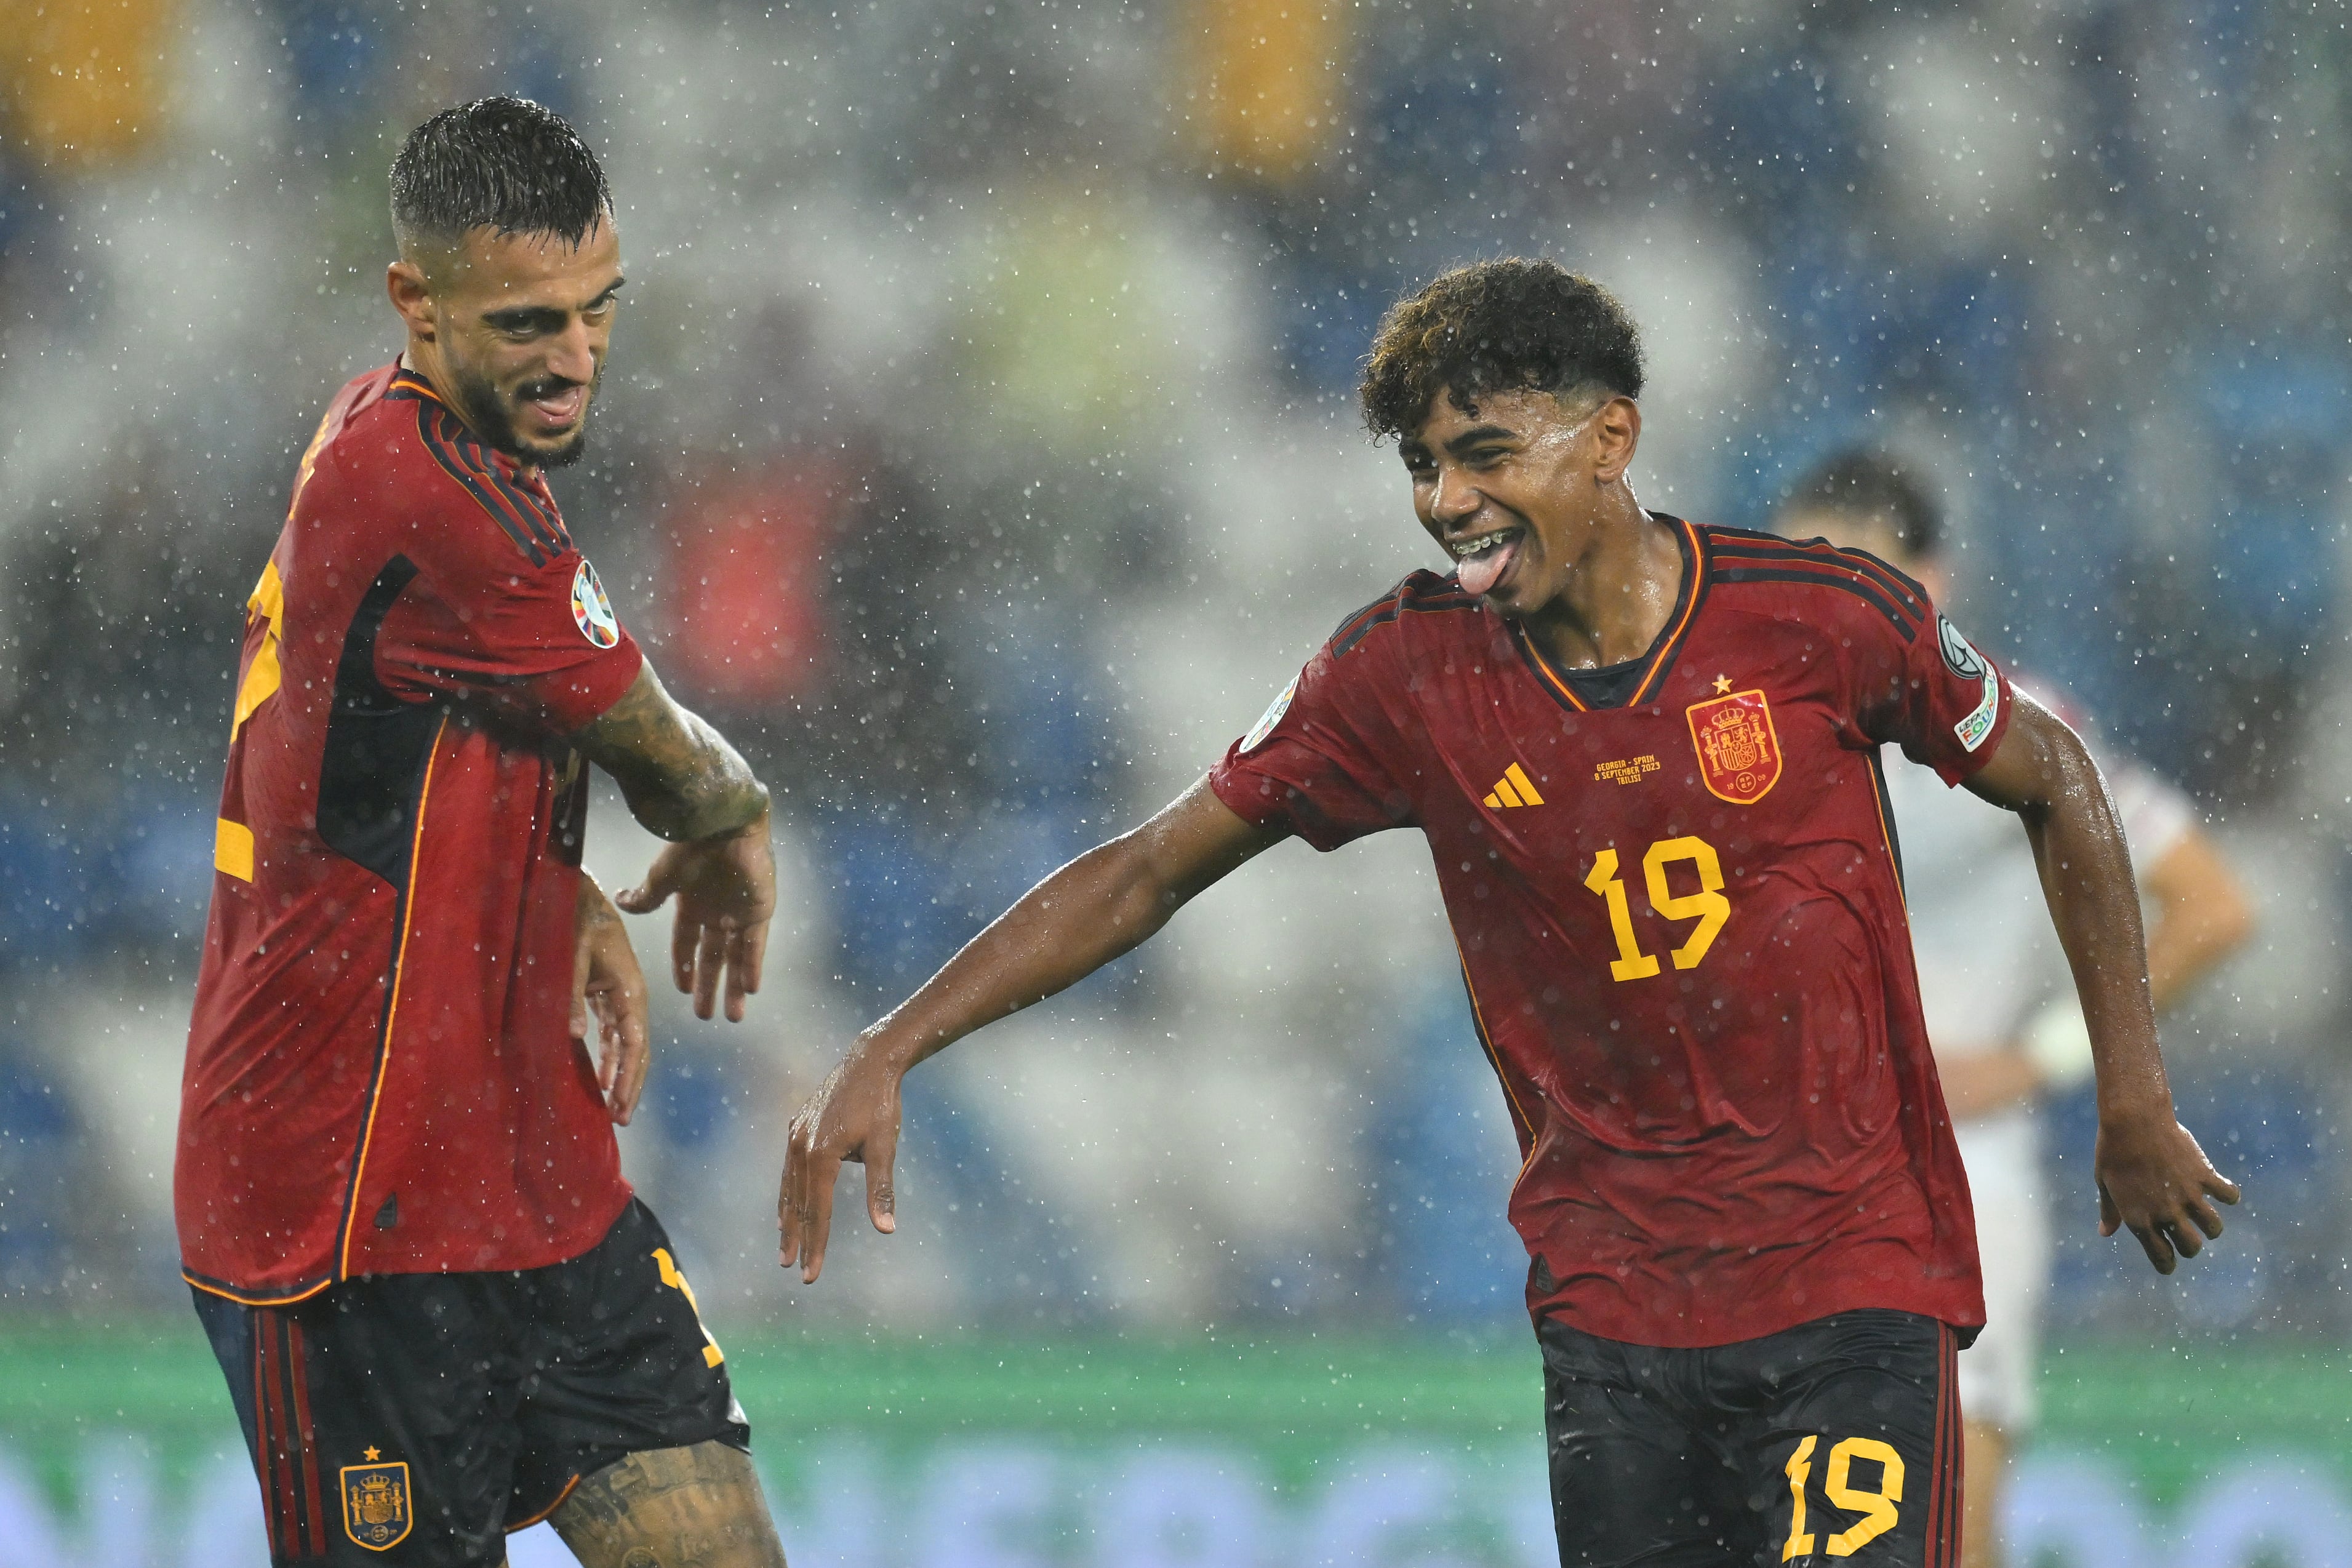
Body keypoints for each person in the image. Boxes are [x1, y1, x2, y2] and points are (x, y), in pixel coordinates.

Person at [779, 258, 2243, 1566]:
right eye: (1423, 464)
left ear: (1612, 438)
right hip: (1615, 1312)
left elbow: (2057, 779)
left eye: (1483, 453)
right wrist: (898, 1037)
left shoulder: (1819, 616)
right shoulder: (1402, 673)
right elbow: (1150, 866)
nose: (1445, 499)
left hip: (1848, 1283)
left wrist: (2127, 1088)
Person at [175, 98, 789, 1568]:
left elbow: (376, 735)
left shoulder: (395, 445)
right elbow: (665, 752)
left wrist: (550, 881)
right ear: (416, 303)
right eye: (528, 322)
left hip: (536, 1183)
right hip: (346, 1209)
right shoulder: (427, 488)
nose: (575, 357)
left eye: (597, 312)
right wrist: (734, 817)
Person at [1776, 452, 2255, 1568]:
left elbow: (2209, 904)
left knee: (1950, 1528)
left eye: (1856, 573)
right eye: (1797, 575)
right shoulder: (1743, 737)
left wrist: (2035, 1060)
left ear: (1929, 581)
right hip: (1775, 1167)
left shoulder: (2003, 720)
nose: (1821, 604)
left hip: (1953, 1164)